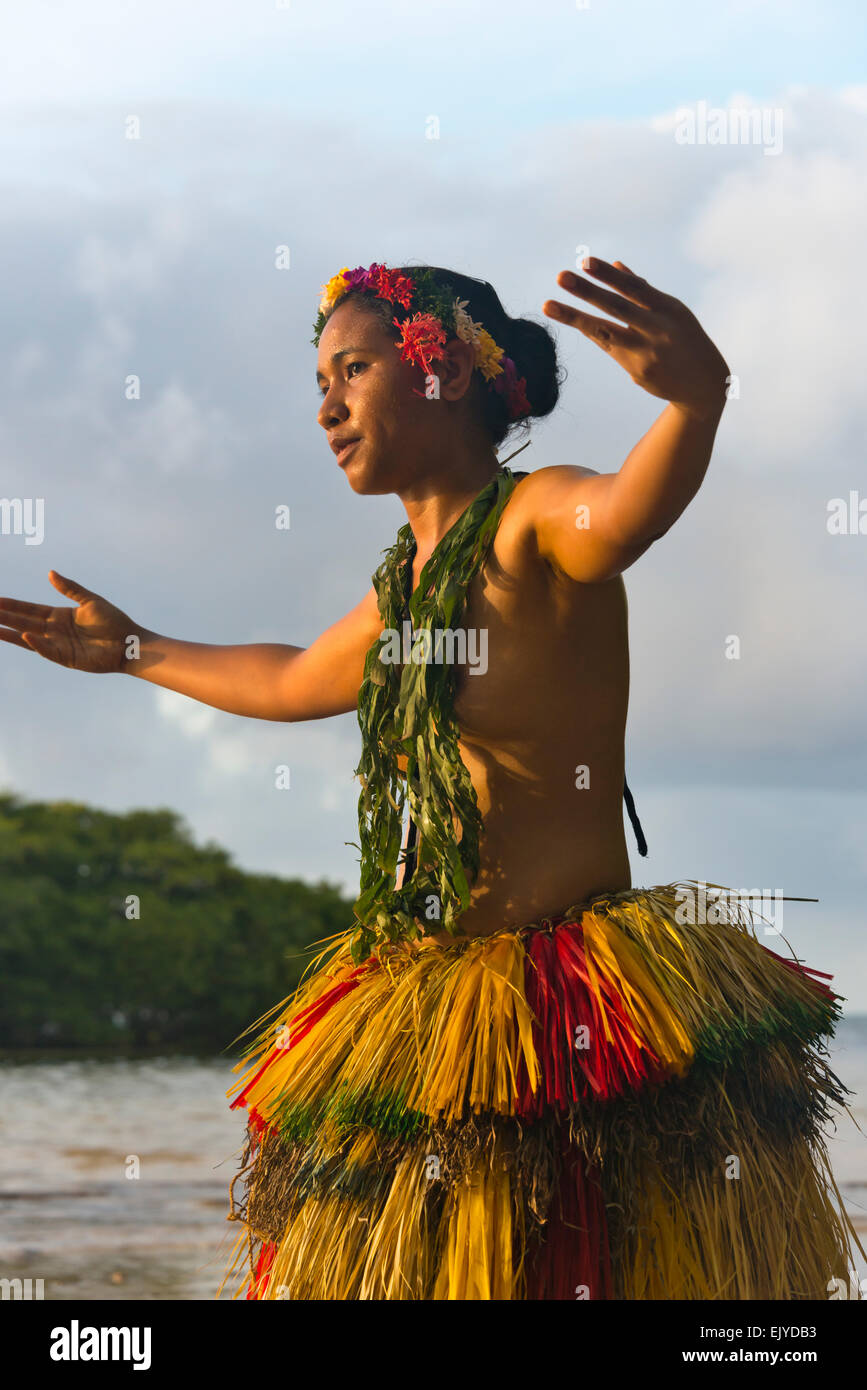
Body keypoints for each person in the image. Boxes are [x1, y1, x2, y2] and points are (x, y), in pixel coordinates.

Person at [1, 259, 861, 1301]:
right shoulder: (401, 591)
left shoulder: (534, 519)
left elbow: (628, 511)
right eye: (320, 381)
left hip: (566, 1014)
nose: (326, 406)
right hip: (430, 1006)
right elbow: (292, 677)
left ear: (442, 371)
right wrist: (133, 649)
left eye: (352, 369)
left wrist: (696, 399)